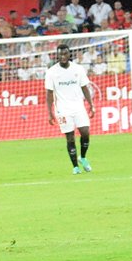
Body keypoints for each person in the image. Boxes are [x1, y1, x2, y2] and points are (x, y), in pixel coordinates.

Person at [45, 44, 95, 175]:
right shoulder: (51, 72)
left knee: (85, 132)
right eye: (60, 54)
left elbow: (85, 87)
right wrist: (50, 113)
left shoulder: (78, 69)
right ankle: (75, 167)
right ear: (57, 55)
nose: (62, 56)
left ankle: (82, 158)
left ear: (69, 54)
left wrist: (91, 104)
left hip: (78, 106)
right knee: (70, 138)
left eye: (65, 54)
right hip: (62, 109)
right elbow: (49, 94)